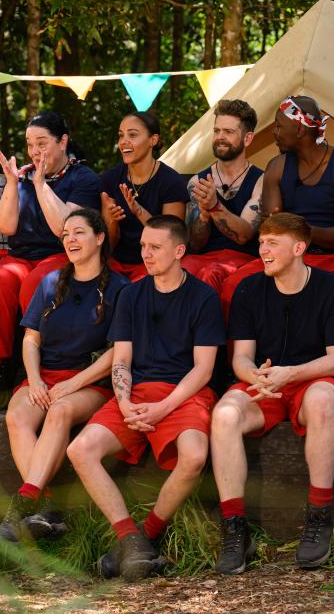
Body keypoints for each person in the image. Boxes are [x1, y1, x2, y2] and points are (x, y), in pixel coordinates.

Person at [67, 215, 225, 582]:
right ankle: (129, 539)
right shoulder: (131, 294)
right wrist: (124, 405)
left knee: (195, 456)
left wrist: (164, 407)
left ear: (179, 250)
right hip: (135, 394)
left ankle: (148, 534)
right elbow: (121, 359)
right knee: (80, 450)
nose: (146, 254)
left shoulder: (203, 298)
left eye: (155, 247)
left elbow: (203, 369)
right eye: (142, 246)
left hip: (185, 395)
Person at [210, 213, 334, 574]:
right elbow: (241, 357)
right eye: (261, 242)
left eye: (272, 243)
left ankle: (320, 517)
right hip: (265, 384)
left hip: (312, 379)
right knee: (224, 414)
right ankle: (235, 531)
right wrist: (256, 377)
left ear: (298, 248)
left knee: (322, 404)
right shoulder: (248, 288)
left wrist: (291, 373)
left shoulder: (333, 288)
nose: (263, 250)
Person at [0, 208, 129, 543]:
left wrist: (74, 383)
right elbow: (30, 339)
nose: (70, 239)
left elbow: (118, 351)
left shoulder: (119, 288)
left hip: (90, 379)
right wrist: (36, 379)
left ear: (100, 238)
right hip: (45, 375)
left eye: (79, 232)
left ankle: (22, 505)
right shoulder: (50, 282)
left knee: (61, 411)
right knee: (16, 416)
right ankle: (47, 508)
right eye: (66, 234)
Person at [0, 112, 100, 406]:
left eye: (42, 143)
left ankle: (33, 363)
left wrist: (41, 185)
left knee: (37, 283)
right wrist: (11, 183)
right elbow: (6, 227)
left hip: (60, 255)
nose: (35, 151)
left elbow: (65, 228)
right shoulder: (21, 177)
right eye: (30, 144)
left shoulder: (82, 177)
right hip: (19, 256)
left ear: (63, 142)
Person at [218, 95, 334, 316]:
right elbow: (271, 226)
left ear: (299, 130)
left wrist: (301, 230)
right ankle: (241, 352)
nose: (274, 132)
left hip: (332, 258)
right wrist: (277, 227)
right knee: (233, 287)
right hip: (284, 256)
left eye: (279, 126)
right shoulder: (276, 167)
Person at [181, 99, 264, 293]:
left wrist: (214, 206)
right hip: (202, 259)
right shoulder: (197, 181)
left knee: (212, 273)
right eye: (217, 131)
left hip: (244, 262)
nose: (220, 137)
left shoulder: (261, 181)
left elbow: (244, 236)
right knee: (179, 271)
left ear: (248, 138)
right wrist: (203, 215)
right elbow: (194, 244)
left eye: (229, 132)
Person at [100, 112, 188, 281]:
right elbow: (108, 245)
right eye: (121, 135)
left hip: (156, 264)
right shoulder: (110, 179)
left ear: (153, 140)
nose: (124, 141)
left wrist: (139, 212)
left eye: (132, 135)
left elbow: (172, 241)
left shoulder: (171, 181)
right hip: (117, 263)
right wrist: (111, 221)